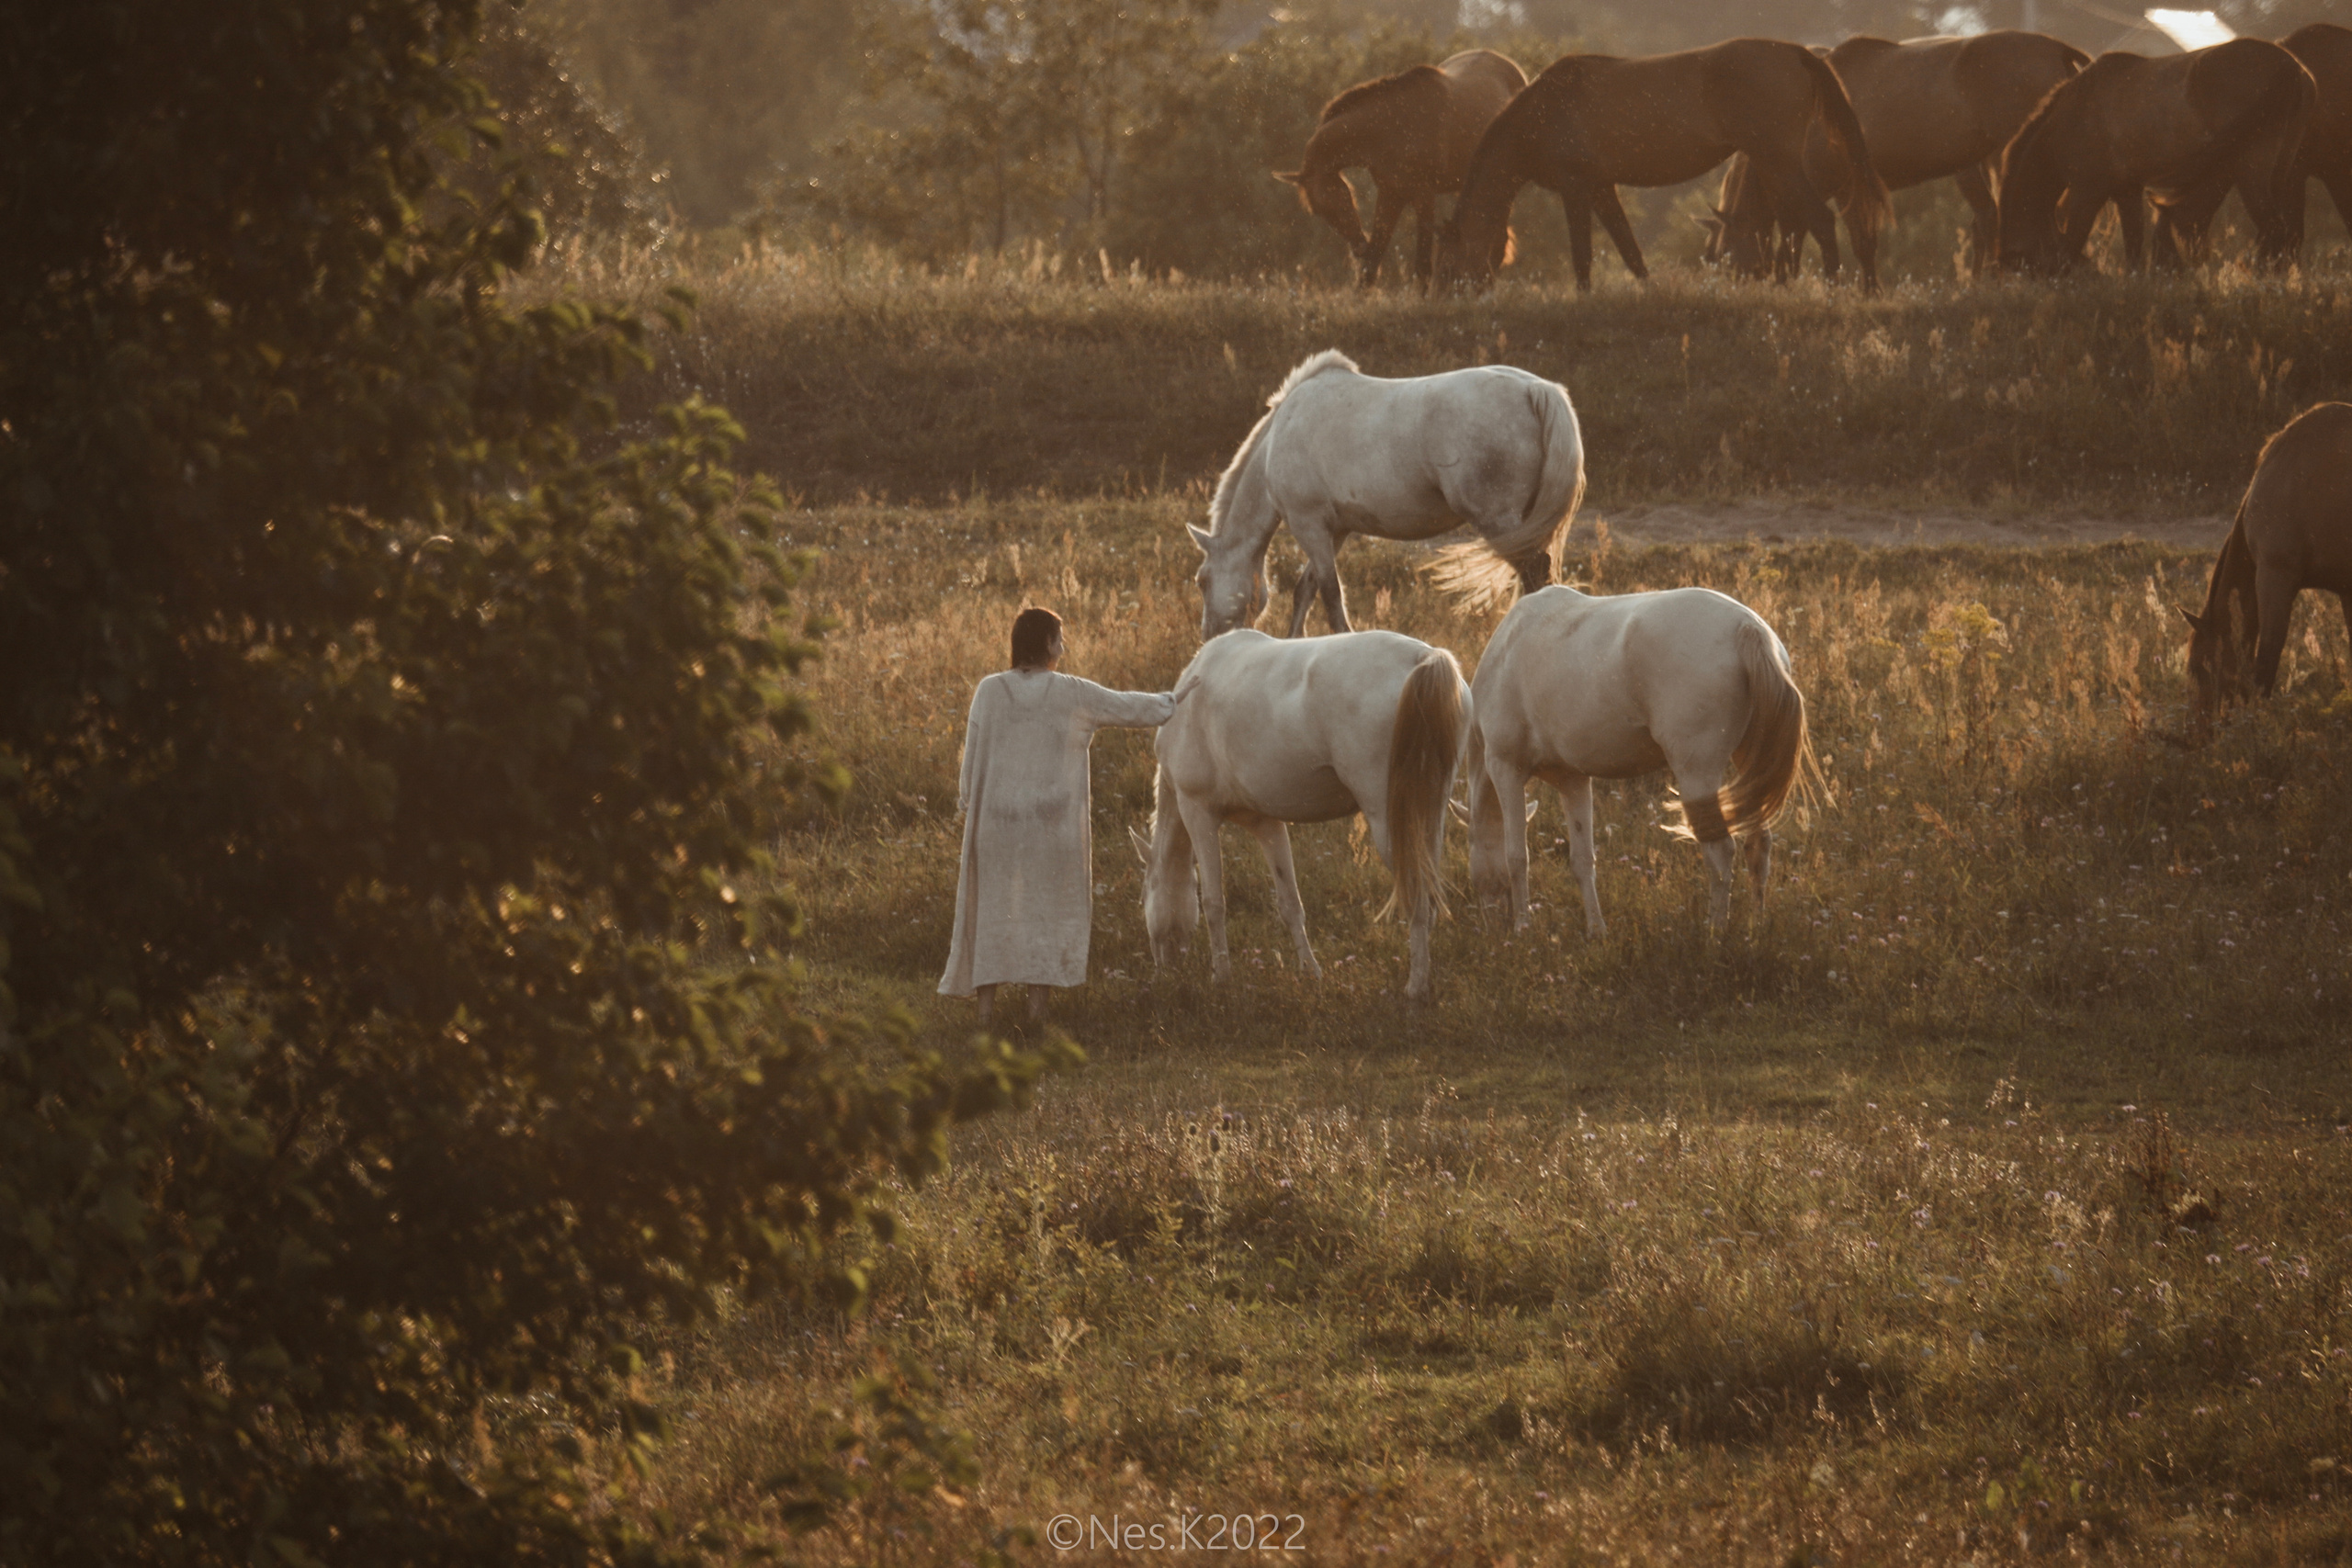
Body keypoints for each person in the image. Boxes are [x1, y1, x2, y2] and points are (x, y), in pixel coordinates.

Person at [940, 607, 1193, 1025]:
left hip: (997, 825)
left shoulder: (989, 690)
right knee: (1045, 915)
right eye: (1060, 638)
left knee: (991, 914)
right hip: (1050, 827)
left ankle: (985, 1015)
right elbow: (1127, 707)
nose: (1064, 646)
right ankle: (1036, 1015)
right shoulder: (1071, 692)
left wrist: (969, 801)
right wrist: (1176, 699)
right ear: (1046, 643)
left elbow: (971, 761)